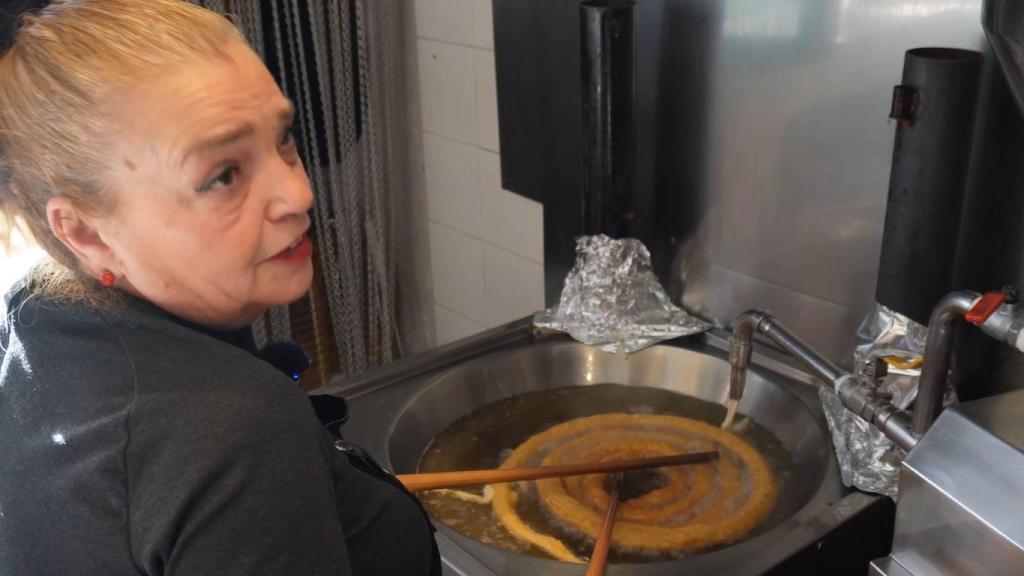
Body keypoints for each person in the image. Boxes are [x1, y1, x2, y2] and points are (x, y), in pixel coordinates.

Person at [0, 1, 439, 574]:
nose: (299, 194)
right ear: (85, 232)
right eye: (224, 175)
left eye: (283, 139)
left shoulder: (33, 314)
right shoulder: (237, 432)